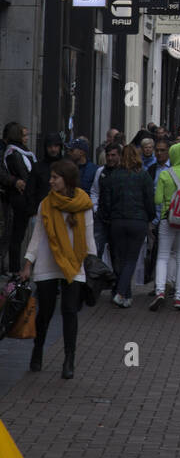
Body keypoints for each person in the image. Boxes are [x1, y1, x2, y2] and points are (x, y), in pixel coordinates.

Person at [20, 157, 95, 378]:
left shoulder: (84, 204)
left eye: (55, 177)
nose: (51, 181)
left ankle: (69, 360)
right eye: (51, 177)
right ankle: (38, 348)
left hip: (74, 264)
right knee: (45, 312)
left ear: (67, 180)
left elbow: (89, 239)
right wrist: (28, 263)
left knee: (70, 311)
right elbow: (37, 237)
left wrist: (92, 267)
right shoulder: (46, 203)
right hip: (47, 263)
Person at [101, 143, 155, 307]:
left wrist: (108, 217)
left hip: (117, 221)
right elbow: (149, 200)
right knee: (131, 259)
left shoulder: (114, 176)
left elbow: (106, 200)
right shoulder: (144, 175)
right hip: (138, 221)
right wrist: (150, 217)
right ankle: (121, 293)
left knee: (121, 259)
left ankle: (126, 295)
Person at [150, 142, 180, 311]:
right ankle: (179, 297)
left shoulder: (164, 175)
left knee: (163, 256)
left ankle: (160, 291)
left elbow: (156, 200)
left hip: (167, 219)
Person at [2, 123, 36, 274]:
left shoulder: (21, 151)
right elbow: (24, 173)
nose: (27, 138)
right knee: (16, 234)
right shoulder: (13, 152)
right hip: (19, 197)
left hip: (23, 196)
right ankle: (14, 268)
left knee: (18, 233)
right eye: (24, 135)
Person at [90, 143, 122, 260]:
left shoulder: (123, 172)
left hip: (117, 219)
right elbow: (94, 191)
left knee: (116, 252)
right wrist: (95, 208)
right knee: (96, 249)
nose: (110, 158)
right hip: (101, 217)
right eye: (108, 155)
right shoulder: (100, 172)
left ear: (119, 156)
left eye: (113, 155)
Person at [25, 132, 64, 217]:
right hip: (40, 213)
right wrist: (33, 212)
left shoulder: (66, 166)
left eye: (56, 146)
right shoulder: (38, 167)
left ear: (60, 147)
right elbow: (30, 191)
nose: (53, 149)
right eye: (50, 147)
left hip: (62, 212)